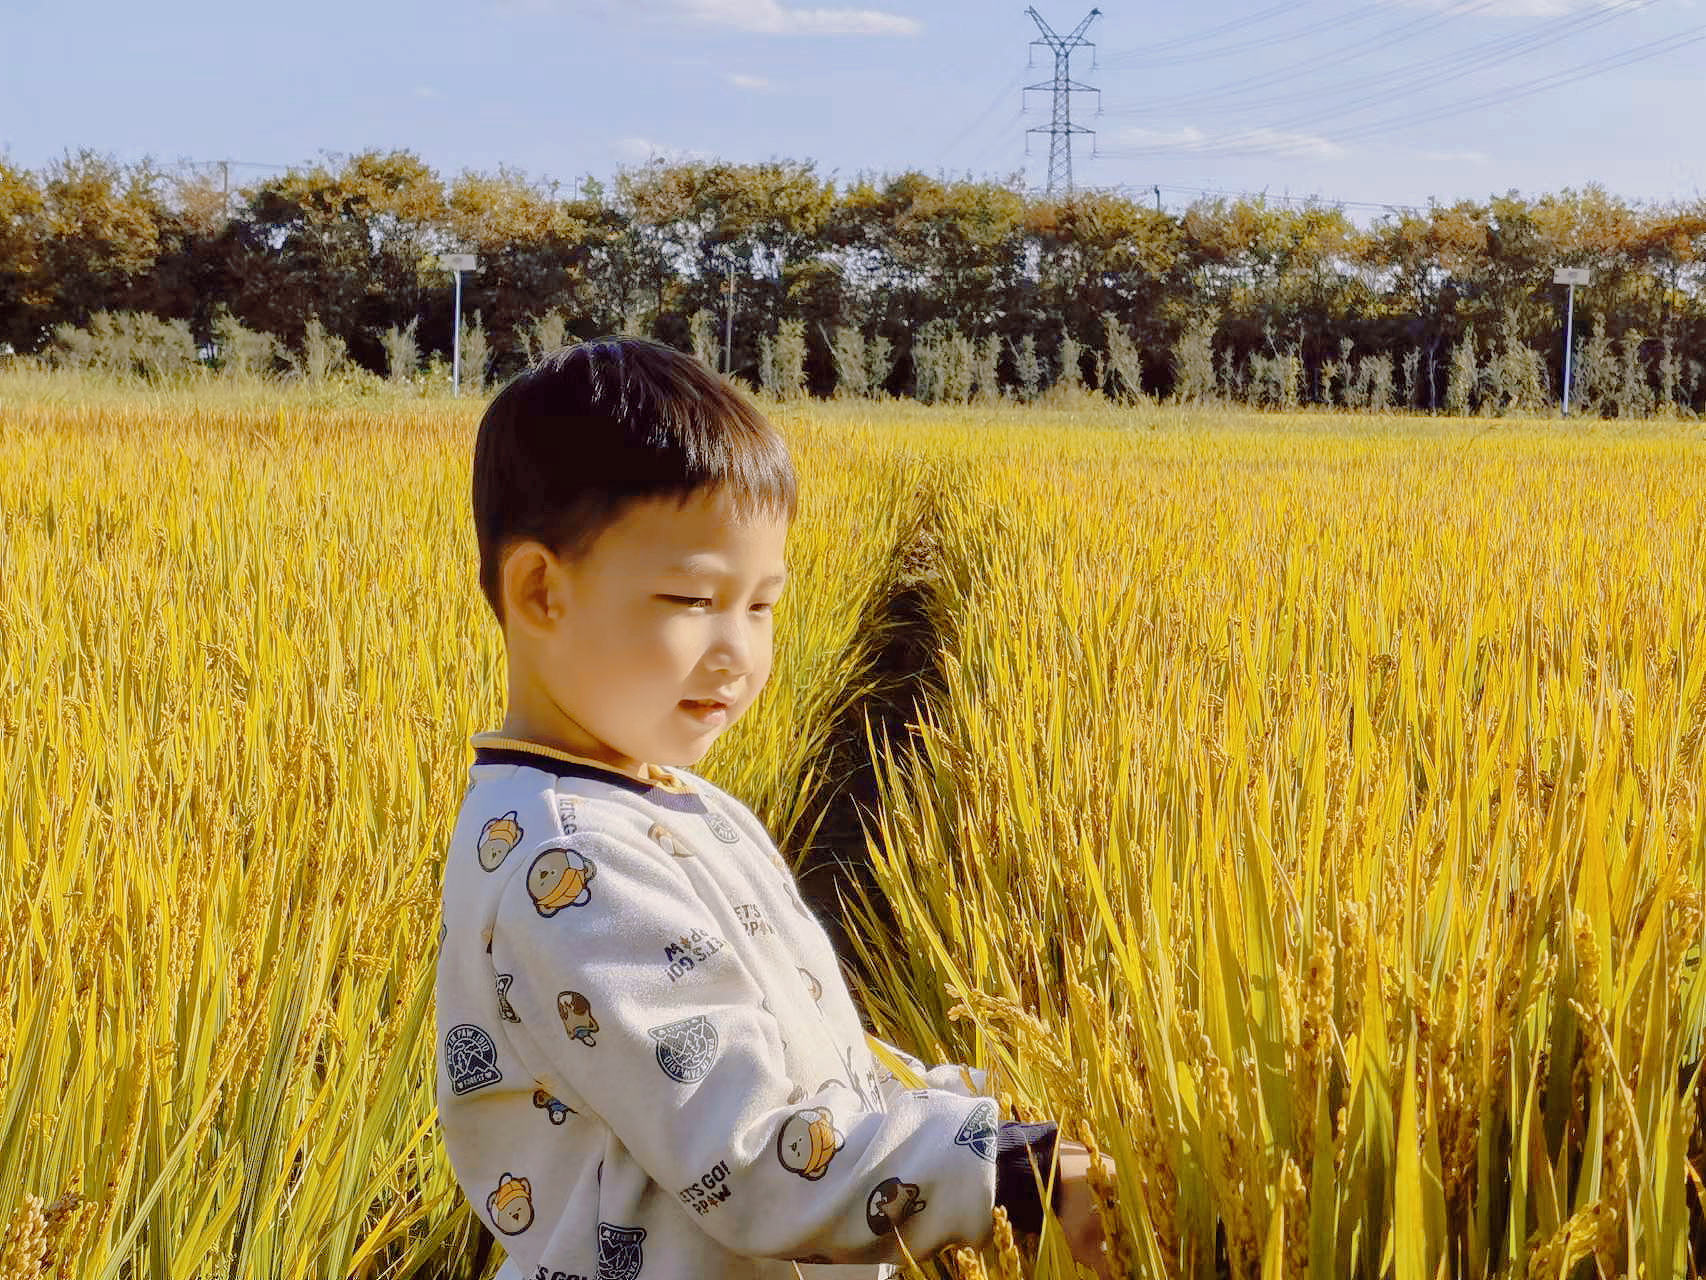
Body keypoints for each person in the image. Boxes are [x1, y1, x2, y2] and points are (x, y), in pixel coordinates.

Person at [434, 336, 1115, 1280]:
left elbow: (801, 1051)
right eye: (693, 599)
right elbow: (753, 1152)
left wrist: (978, 1111)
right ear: (542, 591)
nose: (739, 653)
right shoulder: (575, 864)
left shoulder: (674, 802)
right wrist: (1003, 1173)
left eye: (761, 606)